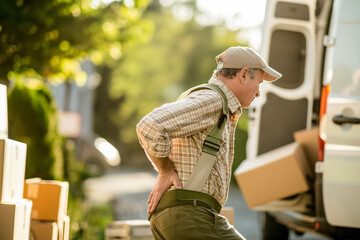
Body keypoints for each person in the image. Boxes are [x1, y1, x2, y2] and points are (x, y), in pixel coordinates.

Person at [136, 46, 282, 240]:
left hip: (178, 215)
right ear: (245, 74)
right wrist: (164, 169)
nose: (258, 94)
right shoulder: (212, 100)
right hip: (189, 214)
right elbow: (150, 126)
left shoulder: (216, 104)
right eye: (259, 83)